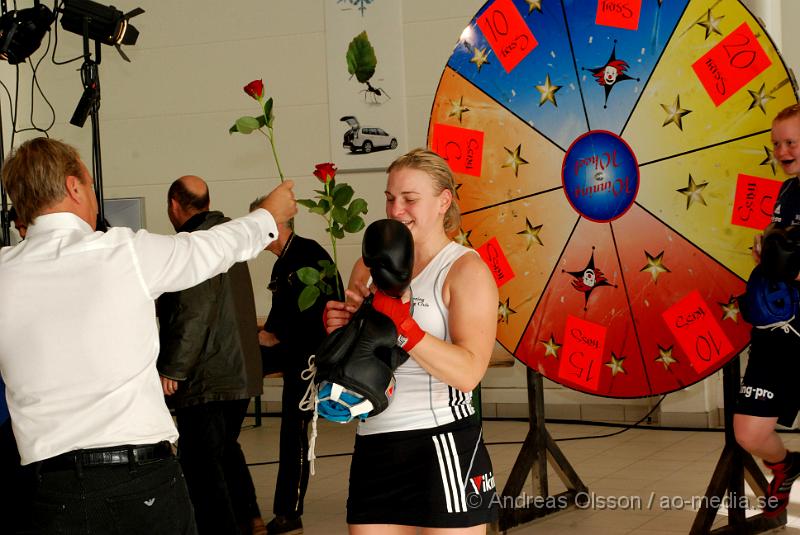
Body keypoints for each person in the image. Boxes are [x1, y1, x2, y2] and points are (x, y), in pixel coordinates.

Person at [0, 137, 296, 534]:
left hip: (50, 490)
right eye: (89, 184)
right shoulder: (123, 252)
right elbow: (208, 249)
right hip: (139, 480)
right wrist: (267, 216)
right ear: (73, 187)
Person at [324, 148, 499, 533]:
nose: (396, 209)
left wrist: (405, 328)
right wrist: (342, 332)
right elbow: (364, 362)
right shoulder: (368, 266)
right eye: (390, 198)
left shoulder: (464, 270)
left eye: (409, 199)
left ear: (443, 202)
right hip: (374, 443)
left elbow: (469, 373)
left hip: (441, 445)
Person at [157, 175, 266, 535]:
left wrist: (174, 368)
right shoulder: (227, 237)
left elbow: (194, 311)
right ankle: (250, 518)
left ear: (175, 204)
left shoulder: (197, 243)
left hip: (208, 374)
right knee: (225, 452)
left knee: (202, 467)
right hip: (239, 370)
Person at [250, 198, 343, 535]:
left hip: (310, 356)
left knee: (294, 433)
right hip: (293, 350)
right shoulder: (285, 261)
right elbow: (280, 320)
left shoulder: (307, 254)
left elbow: (313, 316)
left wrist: (273, 336)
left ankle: (290, 514)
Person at [735, 103, 800, 517]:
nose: (782, 150)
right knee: (749, 431)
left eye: (791, 142)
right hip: (774, 332)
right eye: (777, 143)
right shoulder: (788, 190)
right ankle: (786, 466)